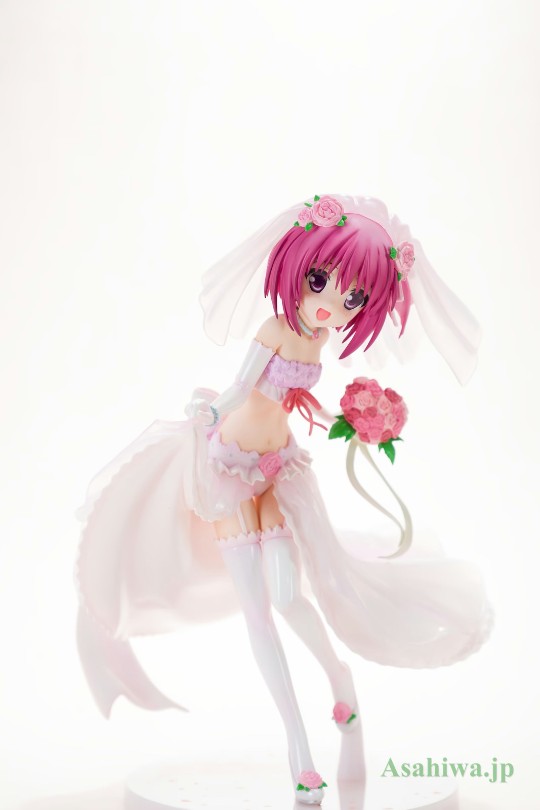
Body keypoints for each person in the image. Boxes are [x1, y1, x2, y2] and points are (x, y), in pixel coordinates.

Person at [74, 194, 493, 805]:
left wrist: (355, 421)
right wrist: (207, 411)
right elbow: (240, 387)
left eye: (352, 299)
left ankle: (339, 678)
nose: (330, 305)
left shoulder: (317, 338)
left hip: (277, 466)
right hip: (229, 467)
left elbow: (289, 399)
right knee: (258, 611)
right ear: (297, 265)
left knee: (289, 593)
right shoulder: (275, 329)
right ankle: (300, 748)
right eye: (320, 282)